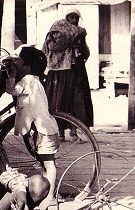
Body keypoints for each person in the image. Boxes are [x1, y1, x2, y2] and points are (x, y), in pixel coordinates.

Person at [3, 45, 60, 210]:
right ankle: (46, 192)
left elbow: (12, 90)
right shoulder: (33, 78)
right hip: (43, 129)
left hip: (43, 130)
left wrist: (11, 75)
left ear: (27, 66)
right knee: (45, 164)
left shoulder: (28, 80)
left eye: (18, 61)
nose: (15, 62)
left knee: (49, 165)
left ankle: (49, 197)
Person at [42, 8, 94, 141]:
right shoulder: (58, 28)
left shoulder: (80, 32)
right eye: (71, 17)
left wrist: (80, 47)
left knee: (77, 101)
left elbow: (85, 50)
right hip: (59, 70)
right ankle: (59, 132)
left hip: (76, 70)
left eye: (76, 17)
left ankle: (74, 132)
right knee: (59, 101)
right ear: (66, 17)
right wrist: (69, 42)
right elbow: (52, 47)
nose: (74, 20)